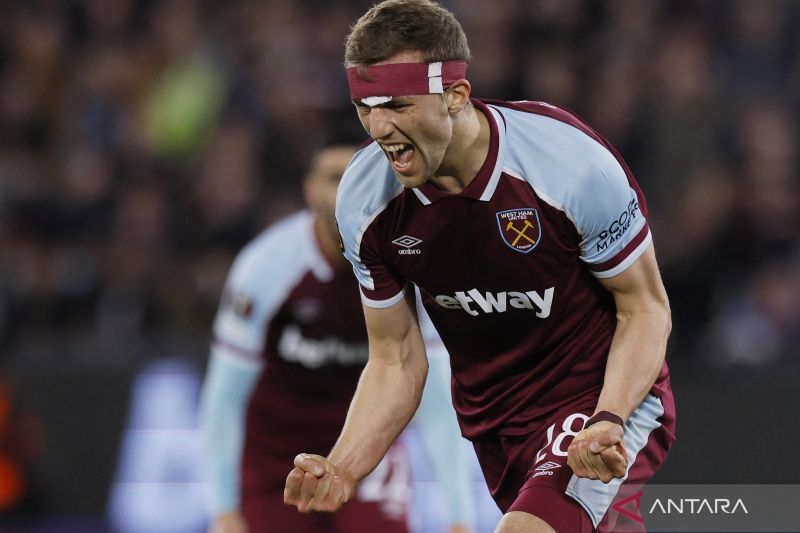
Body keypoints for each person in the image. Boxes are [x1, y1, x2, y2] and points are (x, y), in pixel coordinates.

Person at [283, 1, 676, 532]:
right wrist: (343, 466)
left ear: (455, 95)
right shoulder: (363, 200)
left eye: (397, 104)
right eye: (365, 107)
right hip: (495, 427)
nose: (379, 127)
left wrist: (608, 418)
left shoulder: (567, 166)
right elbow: (396, 357)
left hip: (600, 403)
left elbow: (645, 309)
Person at [199, 131, 475, 533]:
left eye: (358, 175)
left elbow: (434, 400)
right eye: (333, 177)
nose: (347, 189)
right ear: (310, 191)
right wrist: (223, 509)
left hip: (370, 449)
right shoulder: (265, 267)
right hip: (278, 460)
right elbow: (224, 399)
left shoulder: (415, 264)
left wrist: (459, 514)